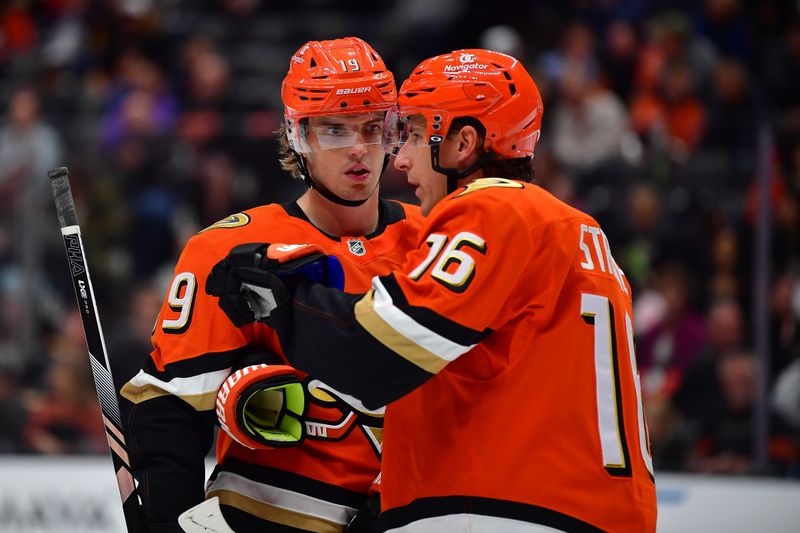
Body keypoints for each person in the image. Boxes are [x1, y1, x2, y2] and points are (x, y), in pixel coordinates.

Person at [208, 49, 658, 532]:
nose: (400, 159)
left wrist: (281, 300)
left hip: (506, 510)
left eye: (418, 134)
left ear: (465, 142)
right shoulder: (583, 233)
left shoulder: (491, 210)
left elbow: (379, 356)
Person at [120, 36, 424, 532]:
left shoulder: (434, 241)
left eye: (373, 127)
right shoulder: (228, 249)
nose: (358, 150)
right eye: (334, 129)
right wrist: (164, 520)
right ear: (297, 134)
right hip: (265, 515)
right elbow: (168, 407)